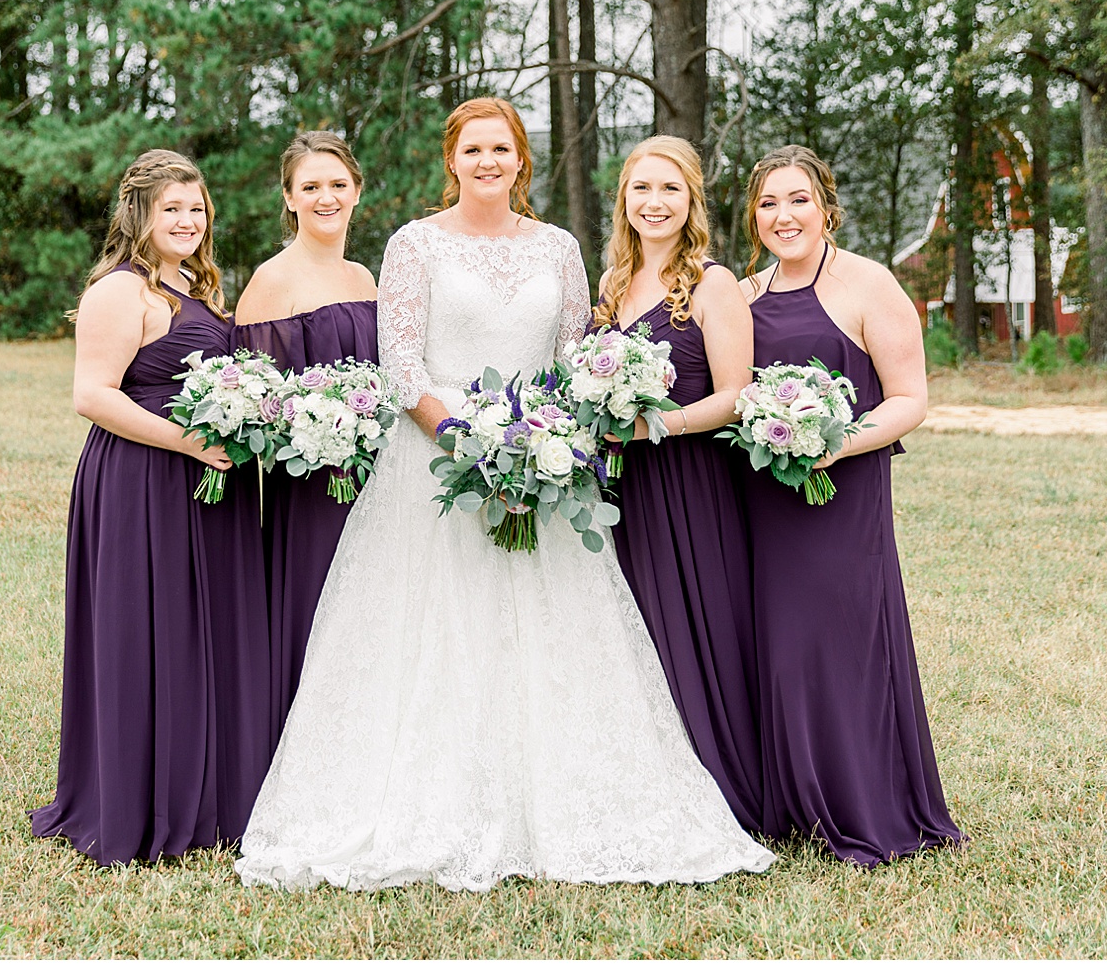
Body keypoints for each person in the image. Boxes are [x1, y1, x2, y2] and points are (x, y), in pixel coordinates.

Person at [235, 98, 773, 892]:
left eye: (503, 148)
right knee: (429, 640)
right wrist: (472, 445)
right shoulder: (412, 245)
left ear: (523, 160)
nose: (489, 161)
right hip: (432, 471)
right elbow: (403, 367)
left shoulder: (559, 248)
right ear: (451, 160)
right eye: (473, 148)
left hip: (544, 468)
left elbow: (571, 360)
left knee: (549, 637)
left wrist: (538, 447)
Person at [30, 150, 269, 865]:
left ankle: (212, 793)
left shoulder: (195, 284)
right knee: (149, 630)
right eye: (173, 208)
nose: (189, 220)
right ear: (139, 213)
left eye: (197, 208)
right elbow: (93, 395)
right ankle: (143, 798)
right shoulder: (119, 290)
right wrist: (189, 442)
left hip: (207, 486)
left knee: (205, 633)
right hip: (142, 480)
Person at [737, 145, 964, 866]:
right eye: (769, 203)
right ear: (754, 216)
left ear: (826, 206)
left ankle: (864, 800)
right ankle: (791, 803)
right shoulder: (742, 295)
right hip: (762, 500)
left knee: (843, 642)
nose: (784, 215)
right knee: (779, 651)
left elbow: (911, 399)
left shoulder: (870, 284)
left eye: (798, 198)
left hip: (844, 493)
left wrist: (835, 442)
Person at [593, 135, 762, 832]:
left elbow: (737, 395)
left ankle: (723, 788)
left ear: (691, 198)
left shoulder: (712, 283)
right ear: (623, 199)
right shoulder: (610, 284)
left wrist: (658, 427)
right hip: (620, 492)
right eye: (641, 189)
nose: (654, 203)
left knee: (696, 629)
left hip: (690, 483)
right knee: (631, 637)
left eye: (669, 190)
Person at [233, 131, 379, 727]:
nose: (326, 198)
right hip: (309, 484)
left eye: (337, 185)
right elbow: (250, 397)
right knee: (318, 607)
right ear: (289, 198)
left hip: (372, 479)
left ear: (357, 193)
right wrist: (313, 425)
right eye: (311, 187)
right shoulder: (271, 282)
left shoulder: (366, 279)